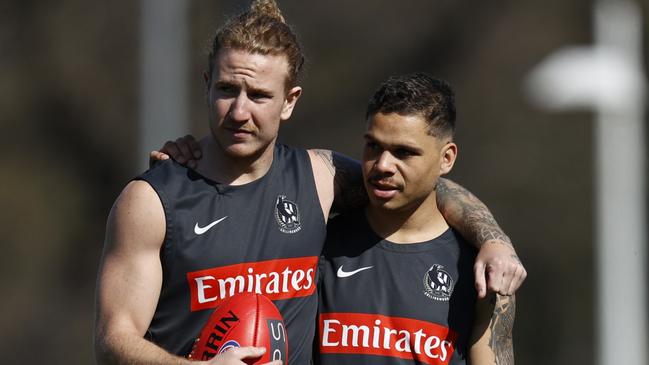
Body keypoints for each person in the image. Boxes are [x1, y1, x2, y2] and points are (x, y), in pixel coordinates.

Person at [95, 1, 524, 364]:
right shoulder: (152, 200)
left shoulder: (319, 179)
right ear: (207, 86)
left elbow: (418, 188)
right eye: (227, 89)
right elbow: (113, 339)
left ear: (289, 101)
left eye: (260, 96)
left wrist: (495, 240)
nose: (240, 111)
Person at [315, 73, 514, 365]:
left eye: (404, 152)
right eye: (373, 146)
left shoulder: (482, 272)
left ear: (447, 158)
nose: (382, 165)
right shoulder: (318, 242)